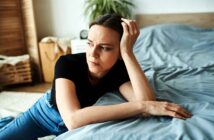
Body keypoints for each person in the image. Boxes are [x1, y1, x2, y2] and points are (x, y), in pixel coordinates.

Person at [0, 14, 192, 139]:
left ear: (119, 50)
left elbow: (149, 102)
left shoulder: (119, 69)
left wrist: (128, 53)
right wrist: (144, 106)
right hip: (43, 115)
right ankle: (7, 121)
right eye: (90, 43)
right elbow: (73, 120)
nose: (93, 54)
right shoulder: (67, 63)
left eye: (105, 48)